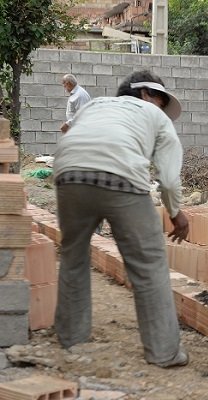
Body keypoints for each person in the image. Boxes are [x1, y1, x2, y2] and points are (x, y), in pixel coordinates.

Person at [53, 70, 190, 368]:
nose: (163, 108)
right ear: (145, 94)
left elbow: (70, 132)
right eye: (161, 100)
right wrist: (176, 213)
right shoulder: (156, 118)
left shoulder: (95, 105)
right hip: (122, 179)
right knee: (149, 264)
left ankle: (70, 337)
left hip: (69, 174)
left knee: (73, 256)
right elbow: (167, 180)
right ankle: (164, 352)